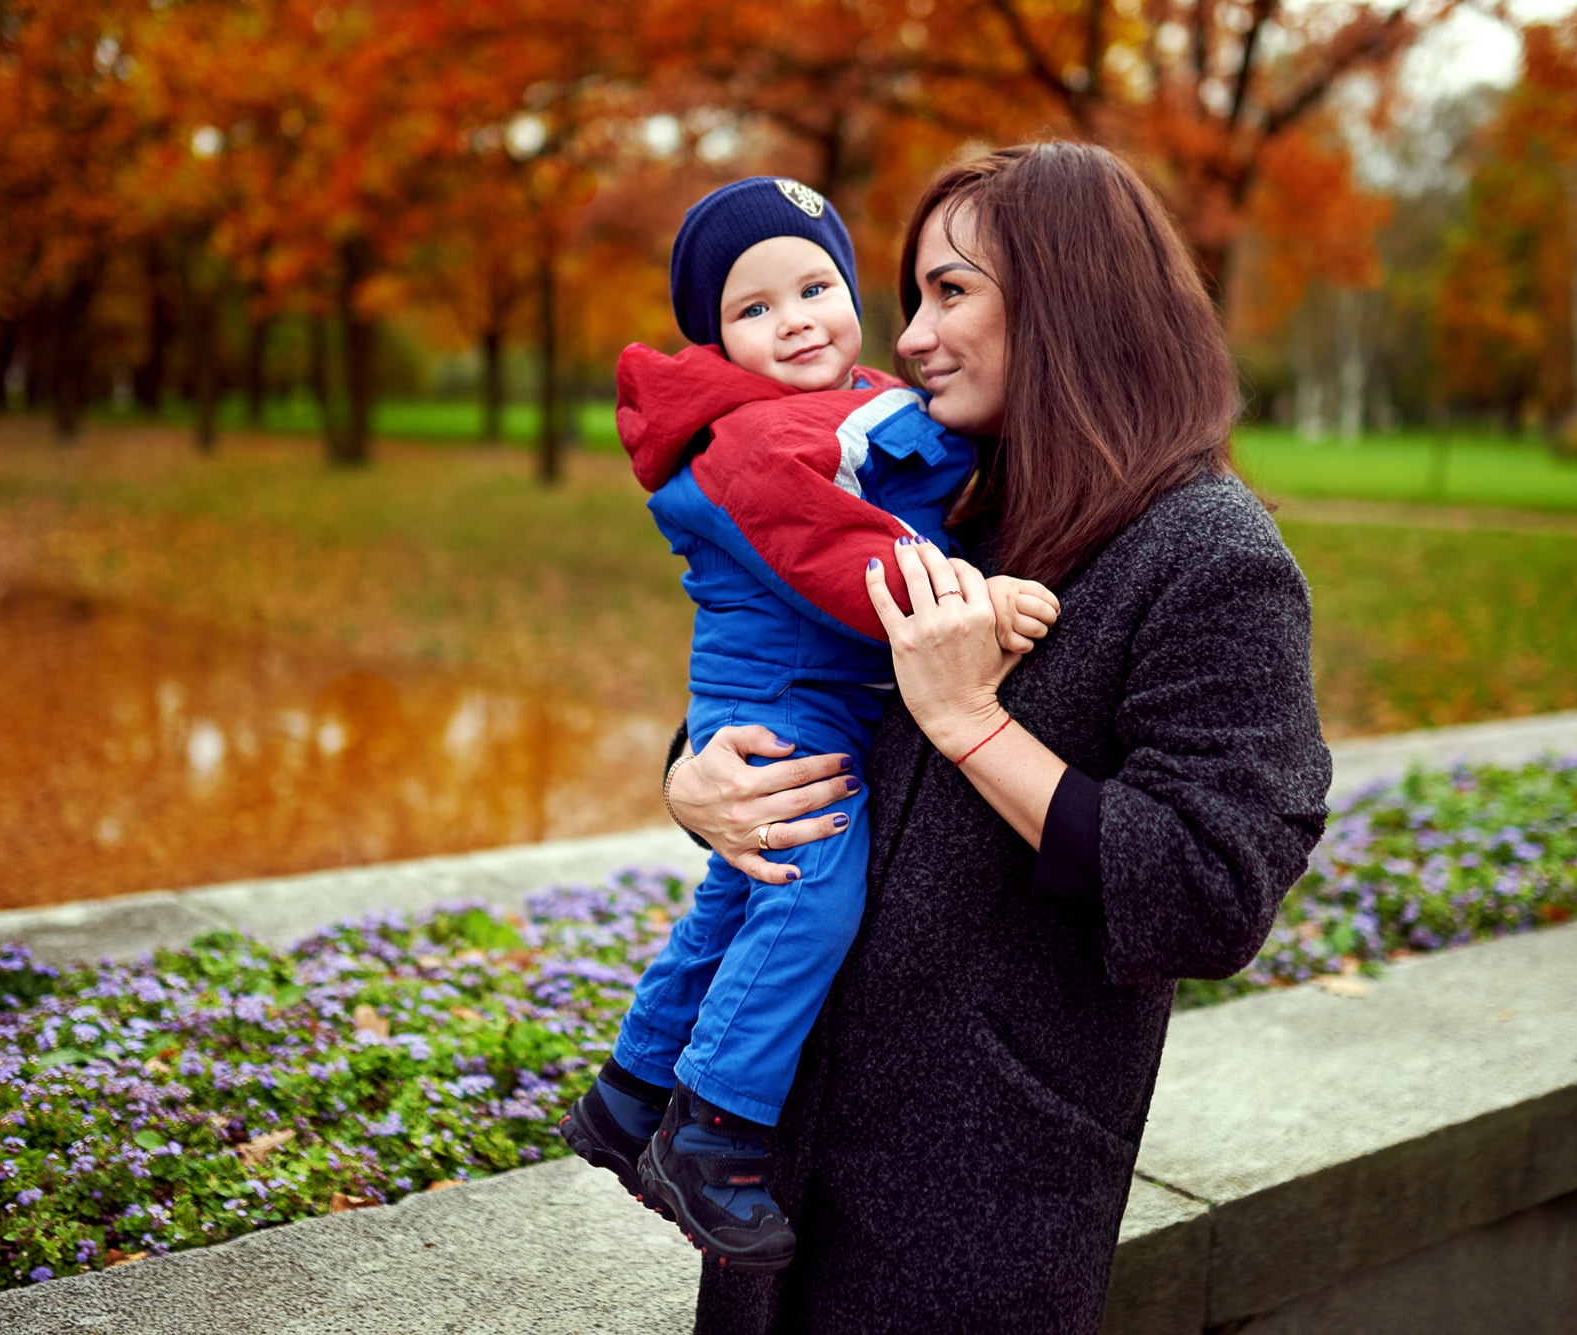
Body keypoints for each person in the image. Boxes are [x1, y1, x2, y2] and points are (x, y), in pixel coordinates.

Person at [662, 143, 1333, 1333]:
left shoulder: (1211, 561)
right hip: (783, 1160)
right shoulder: (948, 500)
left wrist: (968, 721)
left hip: (971, 1198)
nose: (907, 336)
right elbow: (793, 672)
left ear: (1071, 299)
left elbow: (1206, 889)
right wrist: (695, 777)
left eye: (950, 292)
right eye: (912, 294)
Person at [557, 176, 1060, 1273]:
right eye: (751, 308)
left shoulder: (850, 402)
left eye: (814, 286)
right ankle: (714, 1131)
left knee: (742, 893)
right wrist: (970, 597)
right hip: (782, 702)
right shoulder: (753, 439)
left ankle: (626, 1096)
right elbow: (838, 553)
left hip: (804, 695)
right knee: (808, 896)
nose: (792, 319)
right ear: (718, 341)